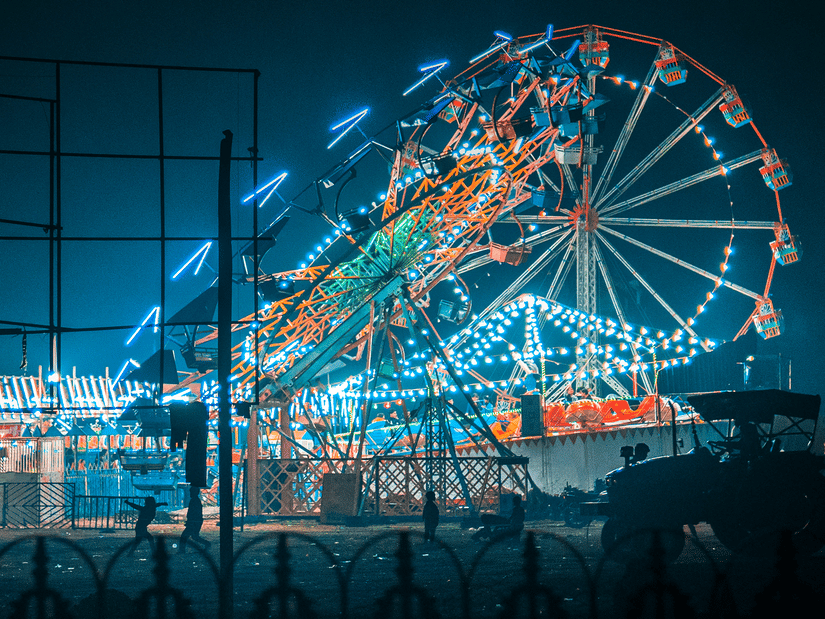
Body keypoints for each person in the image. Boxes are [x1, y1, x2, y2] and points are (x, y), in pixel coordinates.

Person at [179, 487, 211, 553]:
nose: (190, 493)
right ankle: (207, 544)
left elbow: (192, 512)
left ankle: (181, 550)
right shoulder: (196, 500)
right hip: (196, 521)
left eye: (191, 492)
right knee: (194, 536)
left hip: (194, 521)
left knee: (184, 536)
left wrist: (190, 521)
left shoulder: (194, 501)